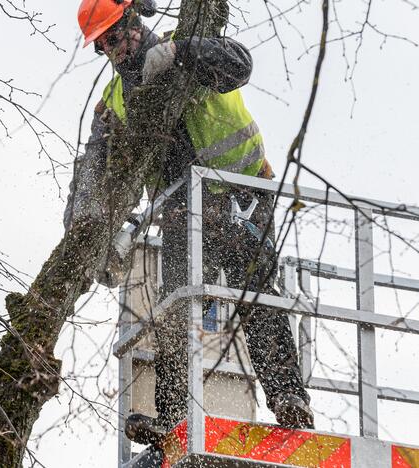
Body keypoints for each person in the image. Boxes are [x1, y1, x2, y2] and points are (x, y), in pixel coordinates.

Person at [68, 0, 314, 444]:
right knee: (174, 305)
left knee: (256, 293)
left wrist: (183, 52)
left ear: (133, 20)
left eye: (116, 36)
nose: (115, 49)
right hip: (186, 213)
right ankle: (173, 416)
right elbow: (90, 174)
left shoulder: (187, 50)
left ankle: (289, 400)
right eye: (104, 45)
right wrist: (88, 234)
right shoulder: (114, 103)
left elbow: (240, 63)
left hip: (241, 196)